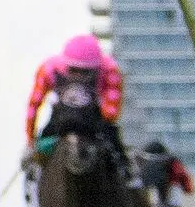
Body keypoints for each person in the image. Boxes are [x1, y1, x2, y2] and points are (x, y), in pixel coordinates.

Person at [22, 29, 123, 159]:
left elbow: (111, 113)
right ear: (66, 66)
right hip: (60, 120)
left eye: (86, 72)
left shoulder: (110, 70)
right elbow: (34, 105)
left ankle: (127, 172)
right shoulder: (49, 69)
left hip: (95, 120)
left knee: (116, 152)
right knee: (37, 154)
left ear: (96, 69)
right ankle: (33, 175)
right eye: (74, 71)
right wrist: (31, 140)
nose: (79, 77)